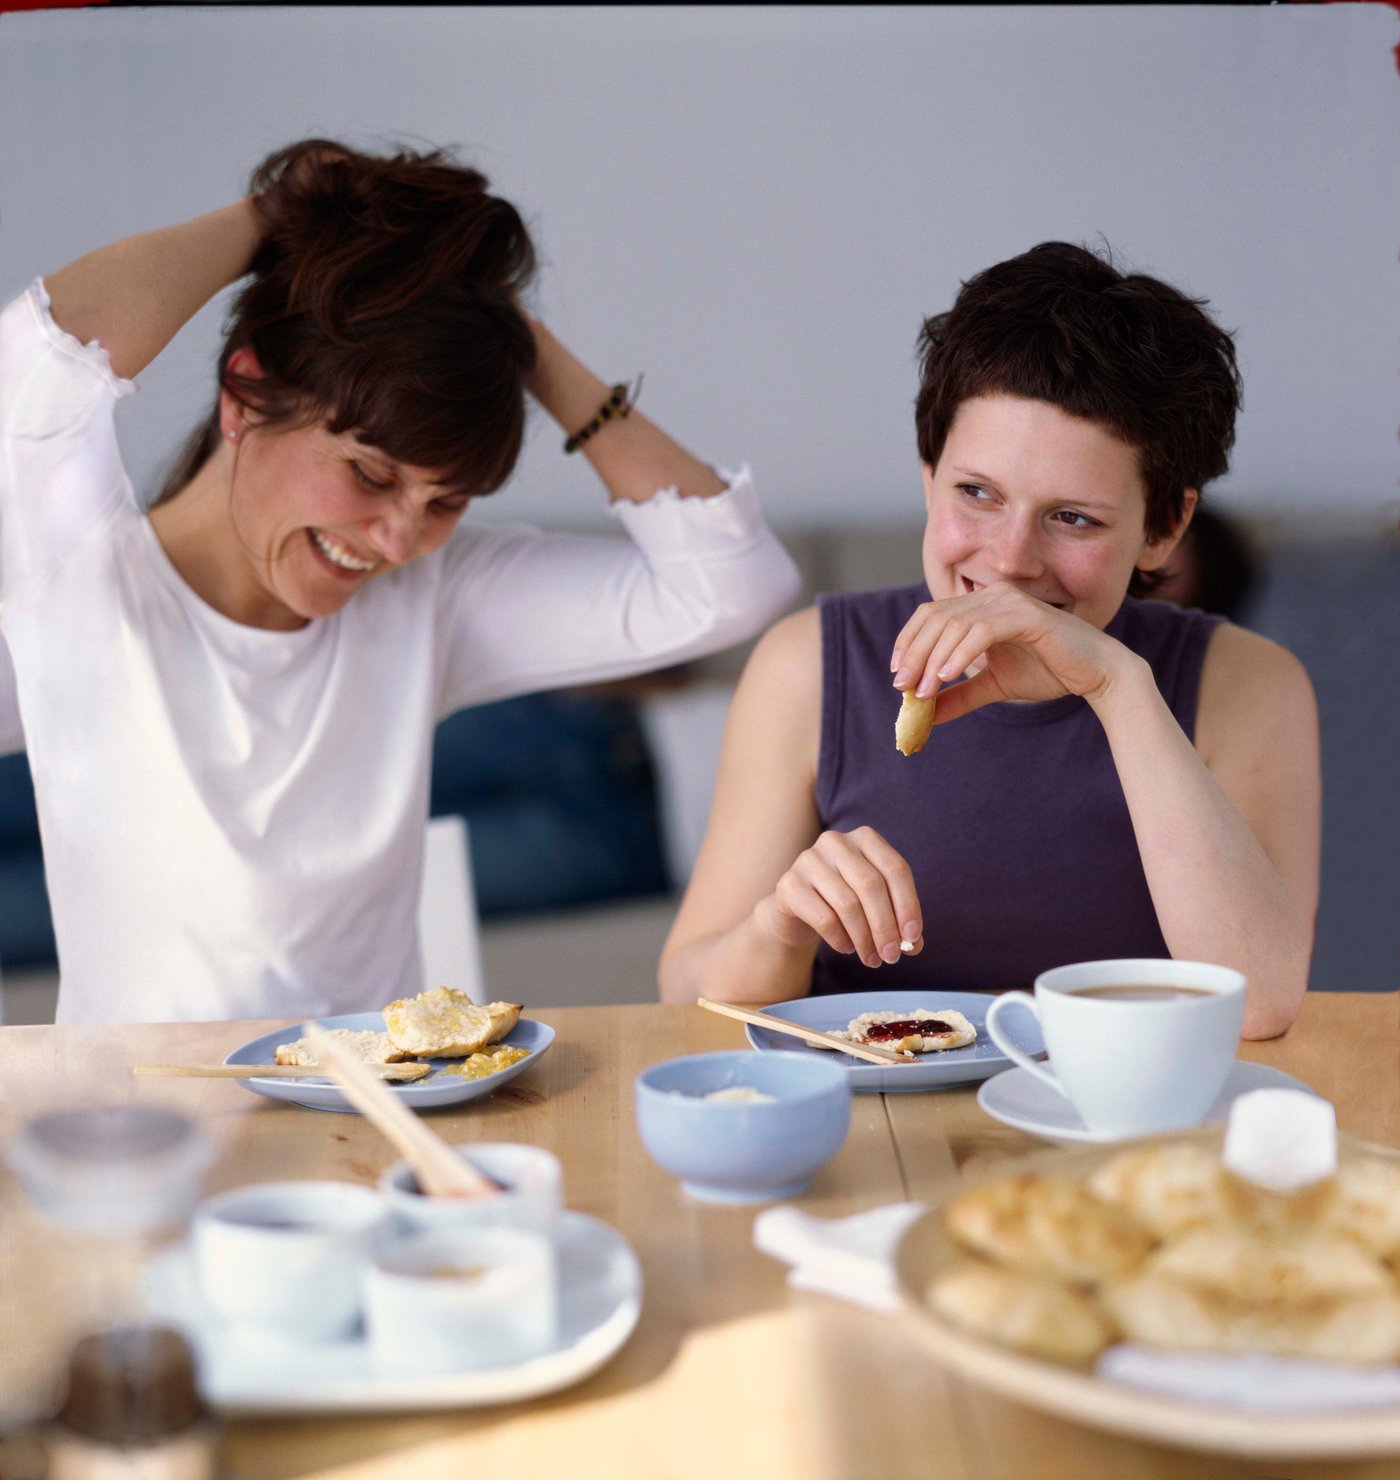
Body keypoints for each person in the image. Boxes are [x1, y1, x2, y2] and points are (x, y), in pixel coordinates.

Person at [0, 139, 800, 1023]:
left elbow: (735, 585)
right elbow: (38, 362)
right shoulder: (81, 576)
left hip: (370, 1130)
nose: (398, 540)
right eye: (371, 476)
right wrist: (274, 218)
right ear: (244, 395)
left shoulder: (431, 600)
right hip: (147, 1145)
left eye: (445, 500)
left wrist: (501, 330)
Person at [660, 243, 1320, 1040]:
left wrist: (1117, 687)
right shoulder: (809, 665)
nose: (1009, 561)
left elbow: (1258, 1003)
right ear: (928, 473)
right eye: (976, 493)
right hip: (872, 1127)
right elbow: (683, 993)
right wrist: (779, 926)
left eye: (1073, 517)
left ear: (1166, 527)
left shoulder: (1248, 684)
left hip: (1118, 1132)